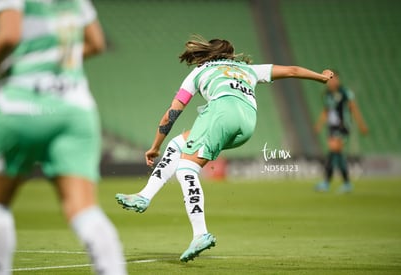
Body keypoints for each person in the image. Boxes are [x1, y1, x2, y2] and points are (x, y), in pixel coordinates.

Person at [116, 35, 334, 262]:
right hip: (247, 123)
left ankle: (200, 234)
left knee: (186, 169)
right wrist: (321, 77)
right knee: (178, 144)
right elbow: (292, 71)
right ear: (230, 55)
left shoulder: (199, 72)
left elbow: (172, 113)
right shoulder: (247, 69)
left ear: (207, 54)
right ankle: (144, 195)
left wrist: (154, 146)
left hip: (221, 112)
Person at [0, 1, 126, 274]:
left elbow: (9, 34)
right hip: (75, 107)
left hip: (22, 105)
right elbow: (96, 42)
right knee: (84, 209)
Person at [314, 71, 368, 193]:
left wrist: (361, 125)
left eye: (335, 79)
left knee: (333, 150)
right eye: (330, 79)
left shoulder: (344, 93)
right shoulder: (327, 94)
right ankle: (345, 183)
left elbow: (353, 108)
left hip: (343, 126)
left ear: (338, 80)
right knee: (336, 154)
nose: (332, 81)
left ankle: (327, 182)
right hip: (332, 127)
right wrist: (318, 125)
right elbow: (326, 111)